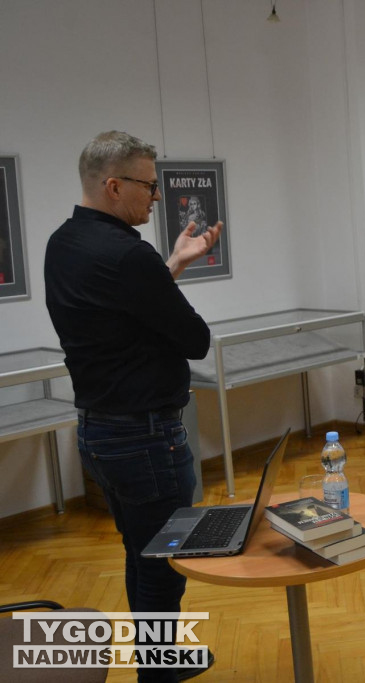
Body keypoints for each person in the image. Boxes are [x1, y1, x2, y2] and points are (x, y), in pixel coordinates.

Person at [44, 131, 221, 682]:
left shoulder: (64, 242)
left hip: (98, 433)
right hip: (146, 439)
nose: (156, 197)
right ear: (113, 185)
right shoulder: (128, 254)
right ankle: (158, 674)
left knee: (139, 553)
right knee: (165, 565)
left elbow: (121, 314)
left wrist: (171, 266)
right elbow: (195, 339)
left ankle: (159, 656)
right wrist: (163, 271)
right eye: (148, 185)